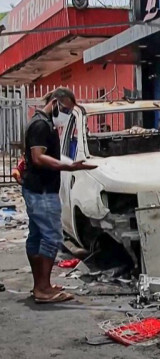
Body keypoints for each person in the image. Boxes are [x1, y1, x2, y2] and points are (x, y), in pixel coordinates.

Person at [23, 87, 97, 303]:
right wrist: (69, 167)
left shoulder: (43, 122)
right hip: (41, 190)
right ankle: (43, 289)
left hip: (38, 188)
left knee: (37, 236)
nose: (65, 114)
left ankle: (40, 285)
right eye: (65, 109)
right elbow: (38, 157)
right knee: (51, 236)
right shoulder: (40, 124)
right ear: (55, 102)